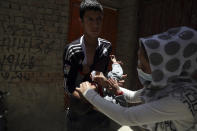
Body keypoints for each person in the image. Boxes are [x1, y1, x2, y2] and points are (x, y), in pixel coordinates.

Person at [77, 26, 197, 131]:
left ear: (165, 68)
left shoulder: (181, 99)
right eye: (139, 61)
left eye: (143, 67)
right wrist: (109, 85)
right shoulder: (168, 84)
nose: (138, 68)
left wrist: (89, 94)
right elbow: (133, 97)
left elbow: (126, 117)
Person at [63, 0, 119, 130]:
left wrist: (109, 83)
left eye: (99, 19)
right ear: (81, 21)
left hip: (101, 111)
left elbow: (101, 75)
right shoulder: (72, 50)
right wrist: (85, 96)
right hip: (79, 114)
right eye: (90, 19)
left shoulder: (106, 46)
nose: (96, 24)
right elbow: (68, 86)